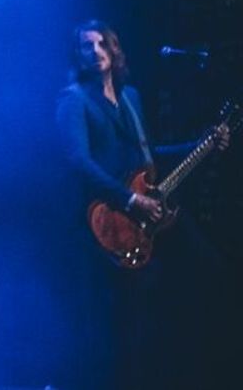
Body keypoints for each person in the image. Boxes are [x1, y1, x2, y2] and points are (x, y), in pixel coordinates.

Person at [55, 19, 233, 388]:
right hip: (109, 218)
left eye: (102, 43)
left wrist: (201, 145)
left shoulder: (131, 97)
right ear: (78, 54)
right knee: (132, 323)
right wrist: (129, 199)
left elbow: (149, 157)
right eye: (87, 45)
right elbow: (78, 162)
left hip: (148, 212)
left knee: (213, 272)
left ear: (114, 49)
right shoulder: (73, 100)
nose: (96, 50)